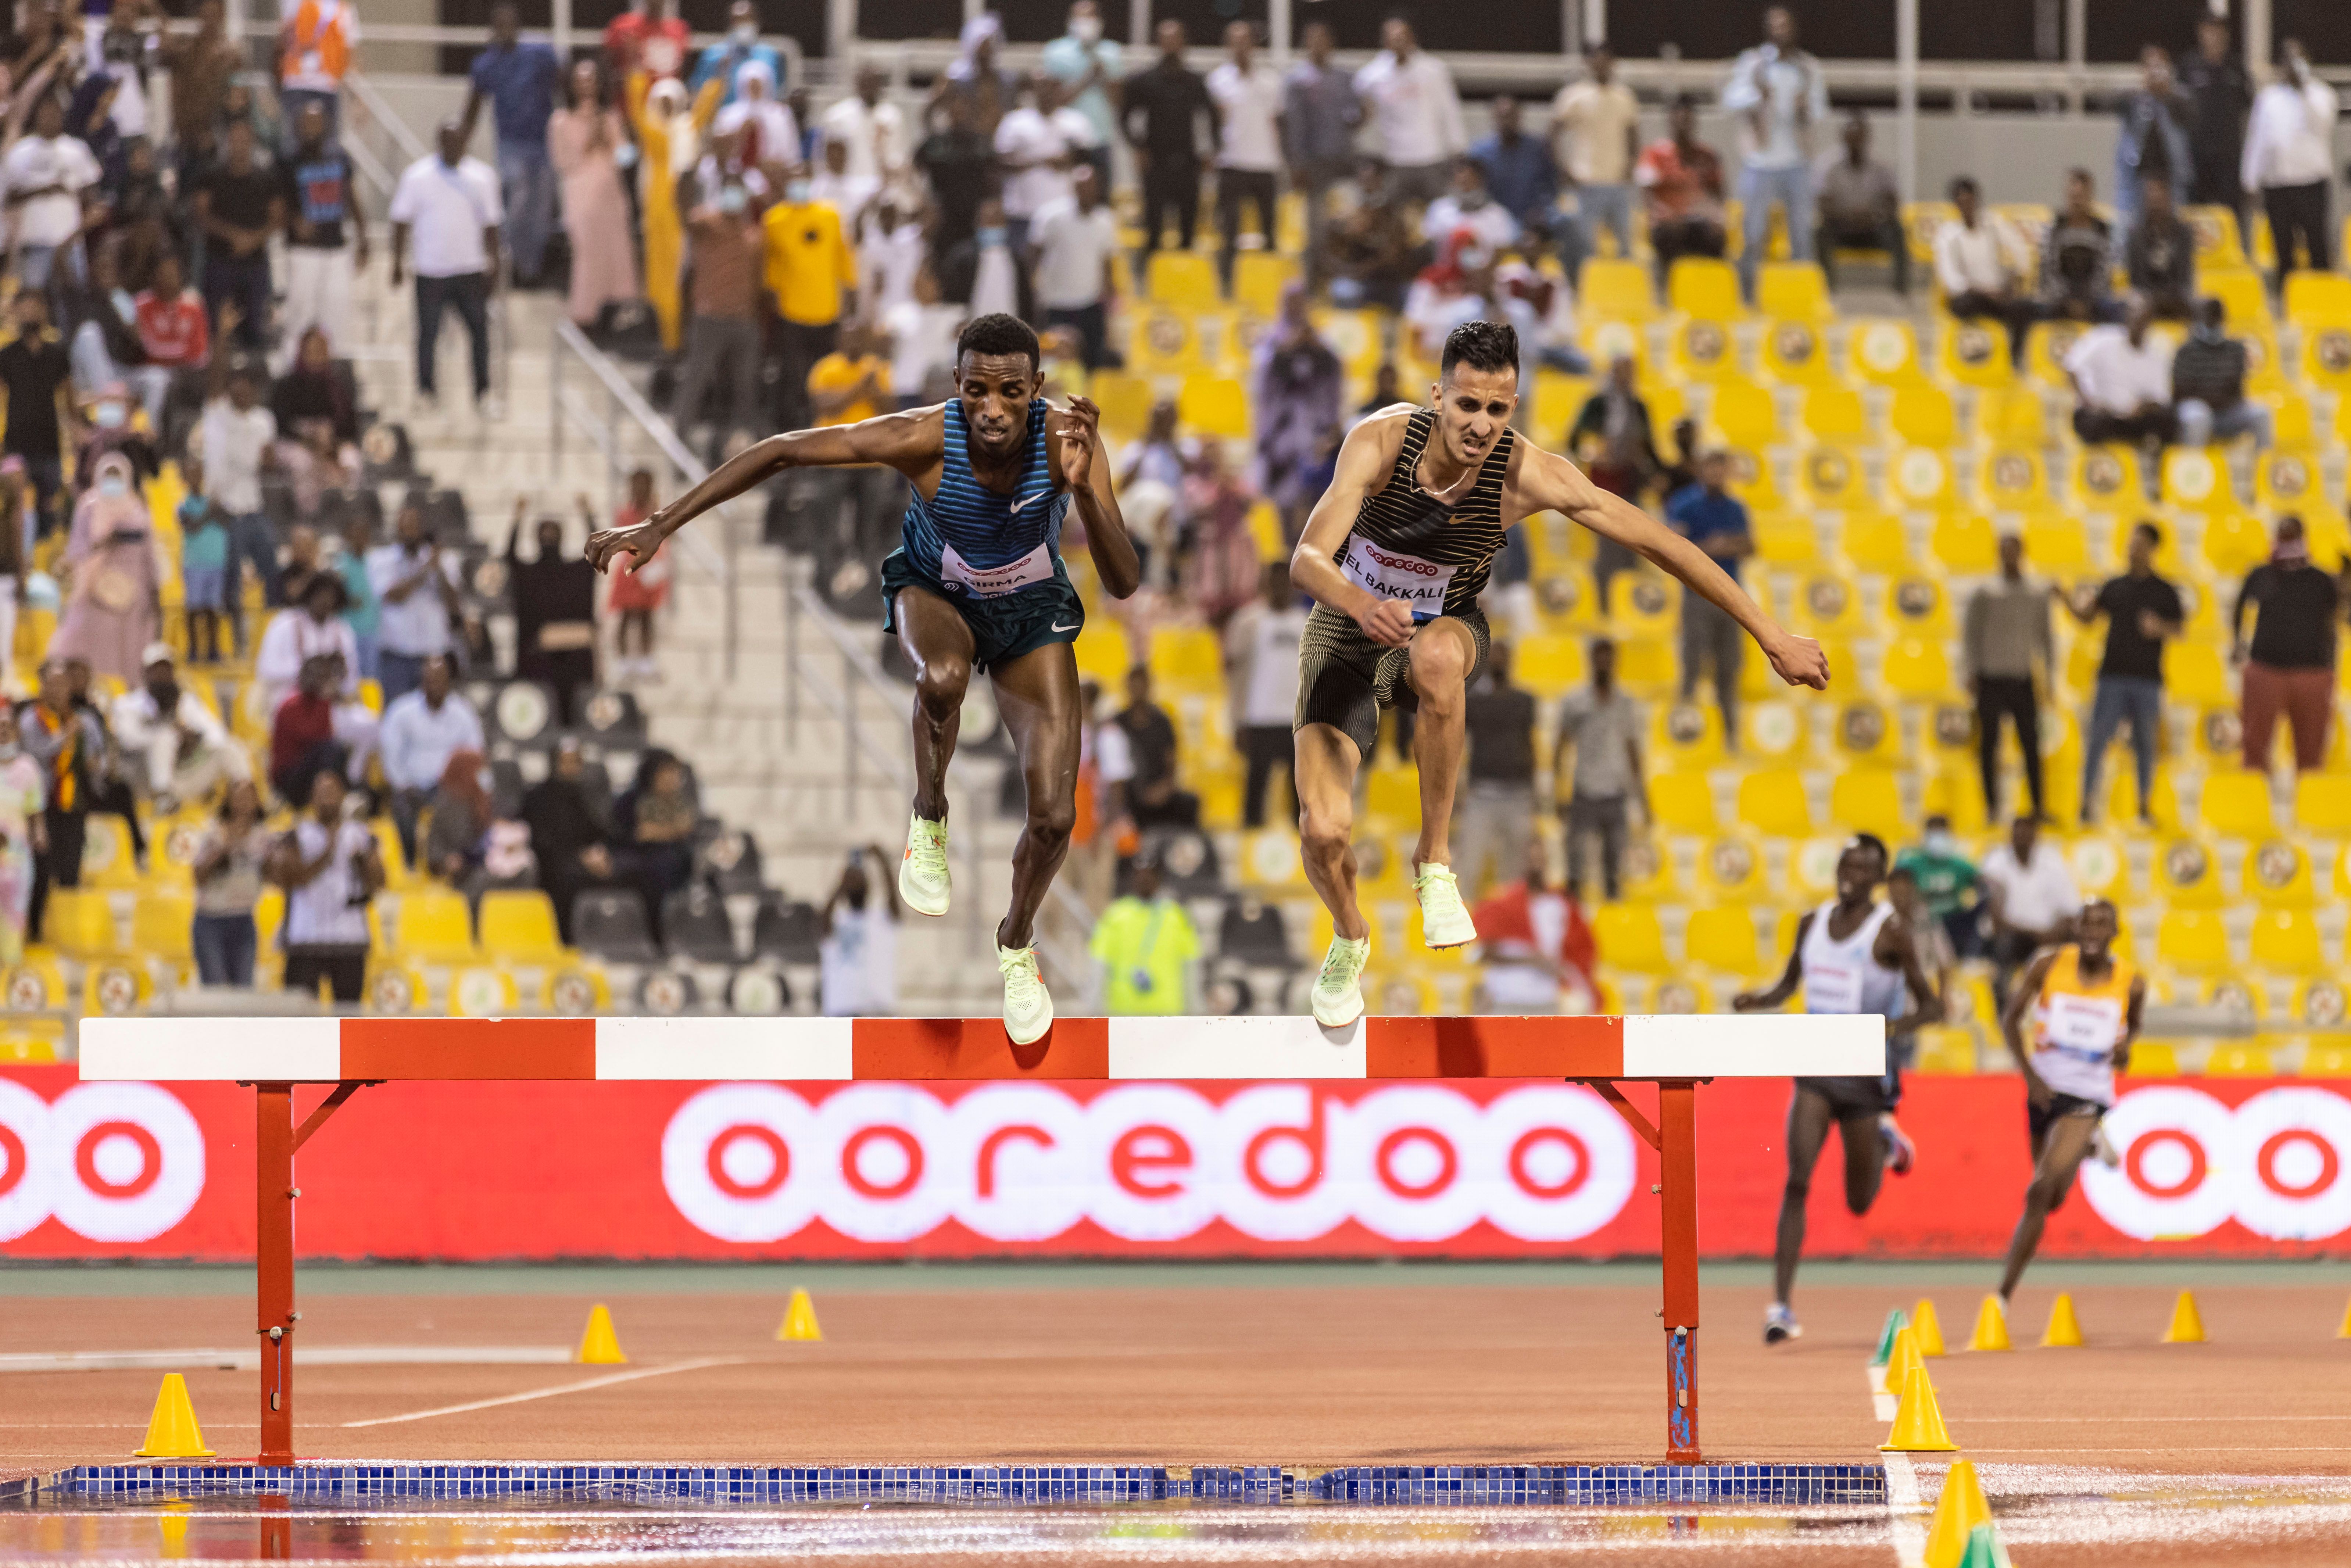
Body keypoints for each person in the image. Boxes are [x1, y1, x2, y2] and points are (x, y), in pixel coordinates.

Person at [587, 314, 1142, 1043]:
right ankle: (929, 815)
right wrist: (662, 522)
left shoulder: (1069, 438)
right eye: (977, 391)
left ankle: (1016, 946)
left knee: (1055, 819)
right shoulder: (921, 436)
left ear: (1037, 389)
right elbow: (785, 452)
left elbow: (1125, 581)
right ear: (957, 387)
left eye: (1012, 392)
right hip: (937, 592)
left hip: (1029, 611)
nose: (994, 410)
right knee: (942, 678)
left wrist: (1090, 494)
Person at [1287, 319, 1829, 1028]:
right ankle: (1351, 936)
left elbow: (1665, 543)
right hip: (1348, 627)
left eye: (1498, 409)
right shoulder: (1382, 442)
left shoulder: (1528, 474)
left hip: (1442, 626)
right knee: (1324, 831)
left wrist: (1770, 633)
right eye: (1466, 405)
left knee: (1438, 658)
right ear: (1437, 397)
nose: (1480, 425)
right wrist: (1362, 604)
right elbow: (1306, 559)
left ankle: (1436, 862)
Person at [1734, 835, 1936, 1345]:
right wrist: (1757, 1000)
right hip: (1816, 1063)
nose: (1851, 874)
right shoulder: (1812, 923)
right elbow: (1788, 985)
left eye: (1863, 867)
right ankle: (1780, 1307)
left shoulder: (1889, 931)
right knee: (1797, 1179)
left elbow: (1933, 1006)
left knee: (1859, 1201)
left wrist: (1892, 1028)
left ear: (1878, 877)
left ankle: (1889, 1145)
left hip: (1866, 1072)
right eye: (1846, 864)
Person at [1996, 897, 2144, 1306]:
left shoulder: (2131, 982)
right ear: (2076, 929)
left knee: (2039, 1191)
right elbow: (2010, 1020)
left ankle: (2002, 1297)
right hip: (2044, 1091)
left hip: (2088, 1094)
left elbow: (2134, 1025)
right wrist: (2030, 1077)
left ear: (2115, 933)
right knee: (2053, 1199)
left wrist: (2125, 1050)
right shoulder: (2047, 965)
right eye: (2087, 923)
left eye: (2103, 924)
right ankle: (2089, 1147)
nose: (2094, 931)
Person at [2065, 521, 2183, 827]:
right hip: (2113, 676)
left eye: (2140, 545)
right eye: (2131, 545)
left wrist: (2160, 627)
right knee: (2098, 740)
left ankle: (2144, 805)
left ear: (2153, 549)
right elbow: (2088, 618)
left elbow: (2180, 629)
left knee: (2146, 744)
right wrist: (2066, 600)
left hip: (2146, 679)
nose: (2133, 550)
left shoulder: (2164, 590)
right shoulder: (2115, 586)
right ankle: (2087, 803)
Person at [389, 120, 505, 416]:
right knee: (428, 334)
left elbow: (491, 226)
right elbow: (401, 221)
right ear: (439, 142)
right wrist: (397, 263)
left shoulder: (482, 177)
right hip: (431, 271)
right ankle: (426, 392)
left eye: (459, 141)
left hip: (470, 270)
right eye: (449, 142)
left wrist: (495, 264)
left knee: (479, 333)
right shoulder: (417, 176)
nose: (454, 147)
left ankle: (483, 393)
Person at [1721, 6, 1828, 300]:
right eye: (1776, 25)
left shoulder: (1808, 66)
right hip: (1760, 161)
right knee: (1753, 233)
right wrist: (1759, 96)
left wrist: (1804, 106)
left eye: (1787, 25)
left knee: (1802, 235)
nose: (1782, 30)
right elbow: (1731, 99)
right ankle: (1749, 294)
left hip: (1796, 161)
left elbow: (1820, 109)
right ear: (1768, 29)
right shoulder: (1753, 62)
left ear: (1795, 28)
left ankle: (1800, 296)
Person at [2233, 516, 2348, 774]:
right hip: (2266, 669)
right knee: (2254, 751)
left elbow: (2342, 619)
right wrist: (2238, 643)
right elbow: (2241, 609)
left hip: (2313, 673)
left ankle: (2308, 807)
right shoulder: (2261, 575)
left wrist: (2346, 586)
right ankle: (2254, 805)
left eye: (2292, 534)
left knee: (2311, 755)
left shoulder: (2322, 580)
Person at [461, 3, 560, 287]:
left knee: (541, 210)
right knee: (515, 207)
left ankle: (533, 269)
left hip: (543, 142)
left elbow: (563, 84)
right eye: (499, 25)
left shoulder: (540, 53)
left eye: (509, 24)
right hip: (511, 145)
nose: (505, 30)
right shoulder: (486, 64)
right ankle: (514, 265)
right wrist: (460, 145)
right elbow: (473, 108)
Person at [672, 167, 765, 462]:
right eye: (730, 189)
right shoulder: (707, 223)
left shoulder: (754, 236)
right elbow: (684, 212)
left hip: (744, 322)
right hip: (710, 318)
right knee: (696, 382)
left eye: (739, 190)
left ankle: (739, 454)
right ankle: (678, 444)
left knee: (745, 390)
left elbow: (758, 281)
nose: (734, 196)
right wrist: (685, 180)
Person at [1662, 451, 1754, 744]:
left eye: (1721, 469)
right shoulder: (1685, 503)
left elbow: (1750, 545)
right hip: (1698, 595)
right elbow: (1675, 546)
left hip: (1730, 598)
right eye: (1711, 469)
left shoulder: (1736, 508)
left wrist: (1714, 546)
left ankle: (1730, 736)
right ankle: (1684, 734)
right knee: (1692, 666)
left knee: (1728, 670)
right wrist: (1717, 546)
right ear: (1703, 470)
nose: (1717, 475)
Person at [268, 767, 379, 1003]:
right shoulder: (297, 835)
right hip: (305, 938)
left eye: (332, 791)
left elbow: (379, 882)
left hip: (349, 939)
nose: (327, 797)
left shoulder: (360, 835)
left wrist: (363, 857)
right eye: (321, 792)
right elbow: (290, 878)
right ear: (312, 798)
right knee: (300, 1018)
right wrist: (328, 852)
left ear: (343, 797)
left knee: (349, 1016)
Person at [1962, 533, 2052, 824]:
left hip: (2022, 677)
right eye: (2004, 551)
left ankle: (2038, 807)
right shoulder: (1985, 592)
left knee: (2031, 744)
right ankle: (1992, 807)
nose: (2009, 556)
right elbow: (1971, 634)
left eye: (2014, 551)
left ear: (2022, 553)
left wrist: (2049, 675)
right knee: (1989, 746)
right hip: (1991, 678)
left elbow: (2046, 638)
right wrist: (1971, 670)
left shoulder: (2036, 594)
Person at [49, 452, 159, 684]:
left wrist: (154, 589)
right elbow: (76, 549)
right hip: (96, 590)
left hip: (133, 592)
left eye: (117, 476)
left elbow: (150, 551)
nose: (112, 482)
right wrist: (106, 541)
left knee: (130, 651)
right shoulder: (88, 506)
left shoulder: (137, 507)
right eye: (108, 476)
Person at [762, 165, 856, 433]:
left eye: (803, 180)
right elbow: (772, 272)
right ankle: (796, 435)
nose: (798, 186)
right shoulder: (774, 220)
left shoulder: (830, 214)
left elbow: (845, 262)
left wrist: (849, 306)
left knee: (827, 381)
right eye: (794, 181)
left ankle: (825, 433)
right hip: (793, 316)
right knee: (795, 382)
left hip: (828, 314)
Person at [548, 59, 640, 329]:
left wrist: (615, 139)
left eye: (591, 81)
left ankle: (613, 308)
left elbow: (627, 158)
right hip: (581, 195)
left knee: (615, 251)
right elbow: (562, 163)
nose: (586, 87)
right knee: (587, 252)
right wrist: (589, 144)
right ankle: (584, 313)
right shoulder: (561, 121)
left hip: (610, 196)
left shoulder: (610, 117)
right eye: (581, 81)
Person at [1553, 637, 1645, 904]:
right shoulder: (1576, 701)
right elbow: (1561, 747)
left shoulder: (1625, 702)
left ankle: (1612, 927)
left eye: (1609, 657)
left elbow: (1633, 750)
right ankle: (1574, 926)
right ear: (1591, 660)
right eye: (1599, 657)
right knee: (1576, 867)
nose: (1604, 663)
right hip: (1585, 792)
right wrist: (1559, 792)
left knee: (1615, 870)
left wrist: (1643, 798)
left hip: (1616, 793)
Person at [19, 659, 104, 944]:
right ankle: (33, 931)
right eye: (51, 684)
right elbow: (33, 759)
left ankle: (68, 936)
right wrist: (63, 740)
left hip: (73, 805)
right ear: (42, 687)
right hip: (41, 808)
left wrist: (93, 762)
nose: (57, 690)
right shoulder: (31, 722)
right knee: (40, 871)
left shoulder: (85, 721)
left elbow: (98, 760)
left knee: (71, 870)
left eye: (62, 684)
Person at [1567, 355, 1661, 610]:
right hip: (1603, 481)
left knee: (1633, 543)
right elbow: (1575, 439)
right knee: (1607, 544)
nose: (1625, 379)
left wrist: (1656, 473)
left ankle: (1628, 606)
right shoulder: (1597, 404)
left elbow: (1650, 446)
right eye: (1620, 373)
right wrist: (1593, 453)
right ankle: (1604, 604)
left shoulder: (1639, 407)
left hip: (1630, 481)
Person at [110, 642, 248, 812]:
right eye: (157, 671)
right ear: (145, 673)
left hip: (181, 777)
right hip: (143, 781)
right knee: (165, 737)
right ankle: (164, 799)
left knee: (230, 748)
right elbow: (128, 740)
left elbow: (217, 734)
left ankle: (247, 800)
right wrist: (166, 731)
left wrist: (194, 738)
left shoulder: (186, 702)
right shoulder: (128, 705)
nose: (162, 676)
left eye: (167, 670)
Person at [276, 101, 366, 362]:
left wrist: (363, 237)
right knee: (300, 314)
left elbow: (351, 195)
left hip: (336, 247)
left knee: (337, 313)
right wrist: (293, 222)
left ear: (326, 125)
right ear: (297, 126)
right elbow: (277, 204)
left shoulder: (339, 156)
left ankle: (335, 374)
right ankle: (293, 370)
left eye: (316, 122)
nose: (311, 128)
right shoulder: (288, 160)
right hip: (303, 250)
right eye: (306, 123)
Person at [2242, 39, 2336, 284]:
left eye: (2299, 59)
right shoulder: (2269, 98)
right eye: (2288, 60)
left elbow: (2323, 124)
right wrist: (2250, 180)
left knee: (2318, 247)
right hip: (2278, 185)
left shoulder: (2322, 94)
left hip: (2311, 184)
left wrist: (2302, 89)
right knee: (2283, 249)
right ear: (2281, 65)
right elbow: (2258, 141)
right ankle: (2289, 305)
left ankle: (2321, 303)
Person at [1253, 286, 1343, 538]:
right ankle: (1286, 547)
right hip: (1282, 432)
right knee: (1285, 497)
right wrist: (1287, 349)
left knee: (1316, 495)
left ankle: (1310, 548)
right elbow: (1262, 376)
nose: (1296, 308)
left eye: (1300, 302)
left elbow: (1335, 372)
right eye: (1291, 302)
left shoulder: (1321, 340)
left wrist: (1316, 347)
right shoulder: (1271, 339)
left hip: (1314, 432)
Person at [1452, 640, 1539, 899]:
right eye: (1495, 657)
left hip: (1518, 795)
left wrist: (1534, 792)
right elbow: (1458, 747)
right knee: (1469, 865)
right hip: (1481, 796)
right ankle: (1462, 925)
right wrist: (1458, 792)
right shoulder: (1475, 702)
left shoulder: (1524, 701)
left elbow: (1530, 745)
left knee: (1515, 870)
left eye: (1504, 657)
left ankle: (1509, 927)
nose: (1499, 662)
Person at [1470, 839, 1597, 1014]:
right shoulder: (1500, 904)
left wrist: (1567, 976)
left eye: (1540, 859)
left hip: (1546, 999)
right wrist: (1530, 959)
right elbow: (1484, 953)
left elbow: (1579, 950)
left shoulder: (1561, 904)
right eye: (1530, 859)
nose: (1535, 865)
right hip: (1505, 997)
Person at [1224, 562, 1307, 830]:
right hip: (1258, 717)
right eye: (1275, 582)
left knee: (1301, 788)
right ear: (1266, 585)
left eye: (1286, 582)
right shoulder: (1247, 621)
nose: (1280, 587)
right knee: (1256, 784)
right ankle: (1250, 837)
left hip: (1298, 719)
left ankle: (1303, 842)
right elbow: (1233, 673)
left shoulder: (1305, 622)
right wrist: (1238, 721)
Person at [379, 652, 484, 859]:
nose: (436, 686)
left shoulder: (462, 712)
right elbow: (390, 756)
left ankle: (451, 862)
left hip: (448, 789)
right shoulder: (402, 711)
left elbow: (474, 754)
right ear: (422, 681)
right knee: (401, 806)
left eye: (441, 680)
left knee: (467, 804)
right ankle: (409, 862)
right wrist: (403, 785)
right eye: (431, 680)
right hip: (410, 788)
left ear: (449, 682)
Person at [1123, 19, 1212, 259]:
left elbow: (1212, 118)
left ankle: (1184, 286)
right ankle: (1150, 289)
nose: (1171, 45)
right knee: (1153, 229)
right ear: (1158, 43)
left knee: (1188, 229)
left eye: (1176, 39)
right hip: (1156, 163)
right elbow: (1125, 117)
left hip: (1188, 163)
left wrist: (1210, 152)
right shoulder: (1144, 81)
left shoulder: (1196, 82)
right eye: (1166, 40)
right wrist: (1138, 147)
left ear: (1184, 43)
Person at [1350, 18, 1462, 210]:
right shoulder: (1373, 75)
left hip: (1432, 157)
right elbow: (1359, 106)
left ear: (1412, 39)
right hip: (1395, 161)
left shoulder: (1433, 70)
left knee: (1439, 213)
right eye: (1393, 38)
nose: (1398, 43)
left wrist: (1458, 150)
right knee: (1392, 215)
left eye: (1402, 37)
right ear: (1385, 42)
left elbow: (1449, 111)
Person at [1549, 44, 1639, 278]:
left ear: (1613, 63)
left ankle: (1625, 293)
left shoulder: (1625, 96)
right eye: (1596, 60)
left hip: (1617, 182)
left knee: (1625, 246)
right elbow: (1553, 134)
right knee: (1586, 247)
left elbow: (1633, 134)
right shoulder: (1574, 96)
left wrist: (1631, 164)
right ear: (1588, 63)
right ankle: (1585, 295)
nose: (1601, 65)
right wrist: (1563, 169)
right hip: (1586, 182)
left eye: (1606, 60)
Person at [1207, 21, 1282, 294]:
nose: (1240, 46)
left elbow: (1279, 122)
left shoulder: (1271, 81)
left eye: (1245, 40)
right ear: (1227, 45)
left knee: (1270, 233)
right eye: (1234, 41)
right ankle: (1228, 289)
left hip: (1265, 164)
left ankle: (1269, 289)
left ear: (1255, 45)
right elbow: (1212, 124)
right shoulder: (1217, 80)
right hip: (1232, 164)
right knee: (1229, 233)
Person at [1979, 813, 2082, 1011]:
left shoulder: (2054, 862)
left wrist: (2055, 931)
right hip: (2015, 935)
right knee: (2003, 944)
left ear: (2036, 838)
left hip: (2050, 934)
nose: (2024, 840)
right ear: (2011, 837)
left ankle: (2075, 1002)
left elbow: (2071, 910)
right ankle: (2004, 1009)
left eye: (2029, 835)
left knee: (2077, 939)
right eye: (2019, 835)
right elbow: (1997, 919)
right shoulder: (1996, 862)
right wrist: (2036, 934)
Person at [195, 118, 282, 352]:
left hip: (255, 263)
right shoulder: (212, 175)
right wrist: (232, 236)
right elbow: (202, 214)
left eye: (245, 140)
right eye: (235, 139)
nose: (240, 145)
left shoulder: (266, 178)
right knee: (216, 324)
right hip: (220, 261)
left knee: (256, 327)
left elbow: (277, 217)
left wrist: (253, 240)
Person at [520, 736, 616, 943]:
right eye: (567, 761)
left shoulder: (584, 794)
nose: (572, 767)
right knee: (567, 878)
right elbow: (540, 840)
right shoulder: (538, 797)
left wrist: (600, 852)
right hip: (552, 863)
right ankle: (568, 941)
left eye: (577, 762)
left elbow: (598, 831)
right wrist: (580, 857)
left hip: (583, 860)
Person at [508, 504, 598, 724]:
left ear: (562, 536)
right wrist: (518, 519)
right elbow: (509, 558)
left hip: (574, 664)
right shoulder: (528, 574)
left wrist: (587, 515)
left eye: (553, 532)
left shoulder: (575, 572)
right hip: (538, 664)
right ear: (536, 537)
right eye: (544, 532)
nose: (548, 536)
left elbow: (598, 553)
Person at [1, 92, 100, 291]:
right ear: (37, 116)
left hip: (70, 242)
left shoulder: (77, 149)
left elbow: (92, 198)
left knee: (75, 297)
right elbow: (7, 197)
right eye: (45, 114)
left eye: (55, 114)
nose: (50, 118)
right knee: (33, 297)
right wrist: (43, 191)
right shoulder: (20, 151)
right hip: (34, 241)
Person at [1283, 21, 1357, 283]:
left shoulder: (1344, 79)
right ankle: (1313, 279)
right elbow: (1293, 127)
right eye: (1313, 40)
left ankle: (1345, 277)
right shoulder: (1297, 81)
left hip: (1343, 161)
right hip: (1313, 164)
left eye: (1323, 40)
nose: (1319, 45)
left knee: (1348, 222)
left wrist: (1361, 116)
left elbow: (1354, 117)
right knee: (1316, 226)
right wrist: (1296, 165)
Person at [368, 502, 459, 708]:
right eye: (404, 528)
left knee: (436, 715)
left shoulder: (444, 560)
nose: (409, 533)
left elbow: (454, 606)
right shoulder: (382, 559)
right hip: (396, 655)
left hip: (434, 655)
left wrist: (440, 571)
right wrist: (425, 571)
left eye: (414, 527)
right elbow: (393, 596)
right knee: (395, 713)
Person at [1030, 165, 1120, 371]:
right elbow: (1034, 254)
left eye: (1091, 187)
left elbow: (1106, 261)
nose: (1087, 192)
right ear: (1074, 189)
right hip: (1057, 303)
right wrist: (1034, 291)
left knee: (1093, 361)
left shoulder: (1106, 221)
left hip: (1090, 303)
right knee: (1053, 363)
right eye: (1082, 187)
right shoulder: (1051, 216)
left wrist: (1111, 297)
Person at [1089, 847, 1199, 1016]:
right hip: (1123, 1013)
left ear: (1160, 879)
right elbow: (1099, 964)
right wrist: (1094, 1010)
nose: (1145, 879)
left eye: (1150, 874)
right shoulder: (1115, 915)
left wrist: (1195, 1011)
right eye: (1140, 874)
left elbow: (1190, 966)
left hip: (1168, 1014)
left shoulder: (1176, 916)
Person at [1933, 177, 2035, 352]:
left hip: (1998, 294)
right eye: (1962, 202)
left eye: (1971, 201)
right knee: (1965, 305)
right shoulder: (1948, 235)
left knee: (2024, 308)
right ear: (1956, 205)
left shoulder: (1993, 224)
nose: (1968, 207)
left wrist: (2016, 277)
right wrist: (1984, 292)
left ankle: (2013, 357)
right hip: (1971, 297)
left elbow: (2019, 247)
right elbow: (1952, 280)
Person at [0, 289, 74, 526]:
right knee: (17, 515)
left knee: (49, 516)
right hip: (17, 446)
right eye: (25, 308)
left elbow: (70, 402)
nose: (30, 314)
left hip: (50, 446)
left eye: (35, 307)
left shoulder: (58, 354)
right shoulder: (7, 356)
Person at [2064, 294, 2175, 448]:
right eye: (2133, 314)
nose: (2137, 321)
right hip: (2101, 412)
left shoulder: (2158, 353)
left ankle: (2156, 463)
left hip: (2134, 418)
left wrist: (2142, 408)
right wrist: (2088, 402)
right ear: (2127, 316)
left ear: (2150, 321)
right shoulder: (2103, 338)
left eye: (2143, 317)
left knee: (2167, 419)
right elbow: (2072, 366)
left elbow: (2161, 397)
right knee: (2091, 420)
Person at [1634, 96, 1726, 281]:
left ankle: (1709, 291)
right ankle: (1668, 293)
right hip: (1668, 223)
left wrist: (1714, 214)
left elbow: (1718, 196)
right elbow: (1647, 195)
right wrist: (1664, 214)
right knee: (1669, 235)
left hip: (1698, 221)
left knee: (1716, 236)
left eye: (1687, 118)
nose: (1683, 123)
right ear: (1670, 121)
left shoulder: (1708, 156)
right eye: (1678, 118)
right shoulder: (1653, 154)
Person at [1812, 110, 1903, 294]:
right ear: (1843, 138)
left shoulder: (1881, 168)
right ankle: (1826, 290)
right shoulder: (1828, 167)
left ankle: (1901, 291)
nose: (1855, 142)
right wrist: (1848, 217)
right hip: (1841, 228)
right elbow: (1823, 205)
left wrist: (1874, 216)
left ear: (1867, 138)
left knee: (1897, 231)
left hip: (1872, 228)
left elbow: (1893, 202)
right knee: (1820, 233)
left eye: (1859, 137)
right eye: (1851, 137)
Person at [190, 779, 268, 986]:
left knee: (243, 990)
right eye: (239, 796)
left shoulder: (263, 837)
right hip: (211, 920)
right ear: (229, 801)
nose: (244, 802)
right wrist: (226, 846)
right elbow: (198, 876)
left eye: (249, 796)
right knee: (216, 990)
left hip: (243, 918)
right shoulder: (213, 832)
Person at [1041, 0, 1121, 191]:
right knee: (1067, 196)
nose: (1086, 22)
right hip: (1069, 140)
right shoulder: (1056, 52)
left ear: (1100, 21)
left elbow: (1118, 101)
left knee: (1100, 198)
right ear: (1071, 21)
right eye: (1081, 17)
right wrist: (1086, 80)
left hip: (1101, 138)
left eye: (1091, 17)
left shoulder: (1111, 53)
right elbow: (1054, 101)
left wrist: (1103, 77)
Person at [2172, 296, 2271, 448]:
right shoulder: (2186, 351)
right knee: (2199, 415)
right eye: (2208, 318)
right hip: (2198, 411)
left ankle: (2264, 467)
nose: (2212, 323)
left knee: (2261, 414)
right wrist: (2214, 393)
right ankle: (2192, 466)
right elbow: (2181, 391)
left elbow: (2237, 392)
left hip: (2227, 413)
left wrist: (2210, 391)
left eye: (2216, 318)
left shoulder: (2236, 350)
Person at [2115, 44, 2193, 234]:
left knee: (2174, 232)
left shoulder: (2179, 101)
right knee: (2135, 230)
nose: (2156, 72)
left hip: (2172, 180)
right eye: (2151, 67)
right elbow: (2120, 107)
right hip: (2141, 180)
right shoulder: (2136, 102)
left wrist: (2164, 94)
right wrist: (2149, 93)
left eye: (2160, 67)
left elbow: (2191, 115)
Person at [2179, 15, 2251, 217]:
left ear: (2227, 35)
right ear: (2201, 33)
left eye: (2219, 32)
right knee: (2196, 211)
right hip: (2197, 153)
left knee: (2231, 212)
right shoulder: (2189, 66)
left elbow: (2247, 104)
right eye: (2210, 31)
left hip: (2228, 154)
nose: (2215, 37)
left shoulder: (2237, 67)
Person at [818, 844, 902, 1017]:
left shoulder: (881, 919)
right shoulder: (837, 921)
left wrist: (883, 862)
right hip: (842, 1012)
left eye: (862, 880)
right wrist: (843, 884)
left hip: (878, 1011)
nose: (858, 883)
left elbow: (894, 897)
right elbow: (823, 920)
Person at [605, 469, 668, 681]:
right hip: (630, 570)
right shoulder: (625, 513)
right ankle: (623, 660)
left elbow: (664, 537)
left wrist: (659, 563)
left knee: (647, 616)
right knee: (626, 615)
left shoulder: (657, 513)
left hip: (649, 569)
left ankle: (646, 659)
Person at [1894, 816, 1982, 961]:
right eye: (1933, 833)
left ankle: (1969, 962)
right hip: (1922, 924)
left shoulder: (1959, 865)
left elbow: (1984, 884)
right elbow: (1895, 886)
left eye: (1941, 833)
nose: (1937, 839)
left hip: (1953, 923)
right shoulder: (1912, 865)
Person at [2040, 168, 2116, 323]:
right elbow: (2048, 272)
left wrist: (2086, 302)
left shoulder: (2103, 231)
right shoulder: (2055, 229)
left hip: (2093, 301)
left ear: (2090, 197)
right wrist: (2069, 303)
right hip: (2060, 301)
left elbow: (2104, 273)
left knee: (2118, 310)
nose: (2077, 202)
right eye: (2073, 197)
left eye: (2081, 197)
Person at [276, 0, 355, 144]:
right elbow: (282, 41)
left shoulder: (343, 8)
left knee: (329, 144)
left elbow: (350, 51)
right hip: (297, 82)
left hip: (328, 85)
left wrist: (357, 100)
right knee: (292, 143)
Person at [819, 65, 907, 189]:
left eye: (873, 83)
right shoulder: (837, 117)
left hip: (882, 188)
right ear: (857, 84)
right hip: (849, 188)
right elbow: (827, 160)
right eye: (866, 83)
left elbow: (897, 159)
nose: (869, 88)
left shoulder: (892, 116)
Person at [2123, 176, 2195, 320]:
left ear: (2169, 199)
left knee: (2199, 305)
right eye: (2152, 200)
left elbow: (2184, 275)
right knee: (2133, 304)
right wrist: (2153, 298)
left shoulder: (2184, 233)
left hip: (2176, 296)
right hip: (2146, 295)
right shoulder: (2136, 235)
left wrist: (2169, 296)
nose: (2156, 205)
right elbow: (2137, 278)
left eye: (2160, 200)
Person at [689, 0, 781, 108]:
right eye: (738, 21)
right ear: (731, 23)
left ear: (756, 22)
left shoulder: (769, 55)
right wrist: (719, 77)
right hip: (722, 118)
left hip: (760, 119)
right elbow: (697, 91)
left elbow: (777, 93)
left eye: (747, 20)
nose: (743, 25)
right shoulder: (713, 56)